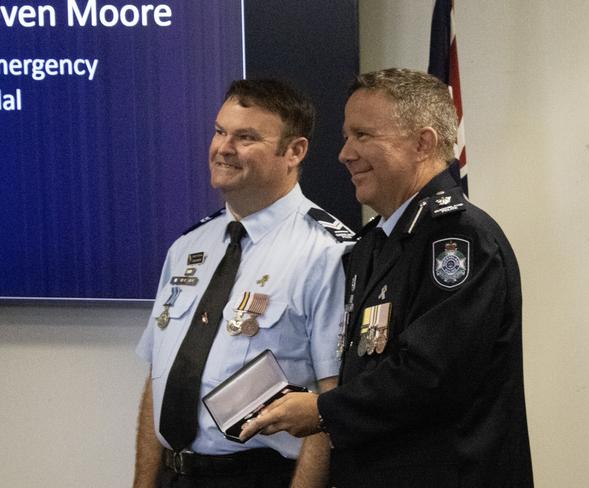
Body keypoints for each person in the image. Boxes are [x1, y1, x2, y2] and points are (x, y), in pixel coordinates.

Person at [241, 68, 534, 488]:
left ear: (422, 143)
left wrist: (322, 411)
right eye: (346, 136)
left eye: (363, 135)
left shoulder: (458, 239)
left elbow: (430, 377)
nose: (344, 153)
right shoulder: (374, 243)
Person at [133, 79, 354, 488]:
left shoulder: (326, 253)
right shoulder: (188, 246)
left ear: (294, 151)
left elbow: (333, 404)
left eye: (246, 137)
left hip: (258, 476)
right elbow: (159, 380)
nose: (223, 148)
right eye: (220, 132)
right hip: (174, 474)